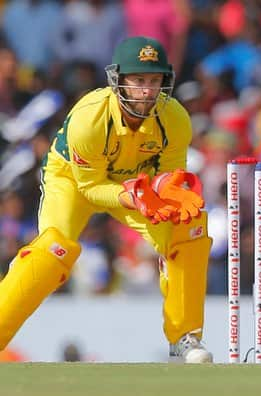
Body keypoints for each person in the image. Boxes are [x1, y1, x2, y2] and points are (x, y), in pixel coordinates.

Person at [0, 36, 213, 363]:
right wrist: (132, 196)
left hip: (136, 185)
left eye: (154, 81)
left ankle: (185, 337)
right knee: (53, 249)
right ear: (118, 82)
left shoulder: (175, 119)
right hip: (73, 179)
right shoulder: (89, 119)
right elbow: (91, 188)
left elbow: (169, 178)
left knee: (188, 228)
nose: (146, 91)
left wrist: (169, 192)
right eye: (138, 80)